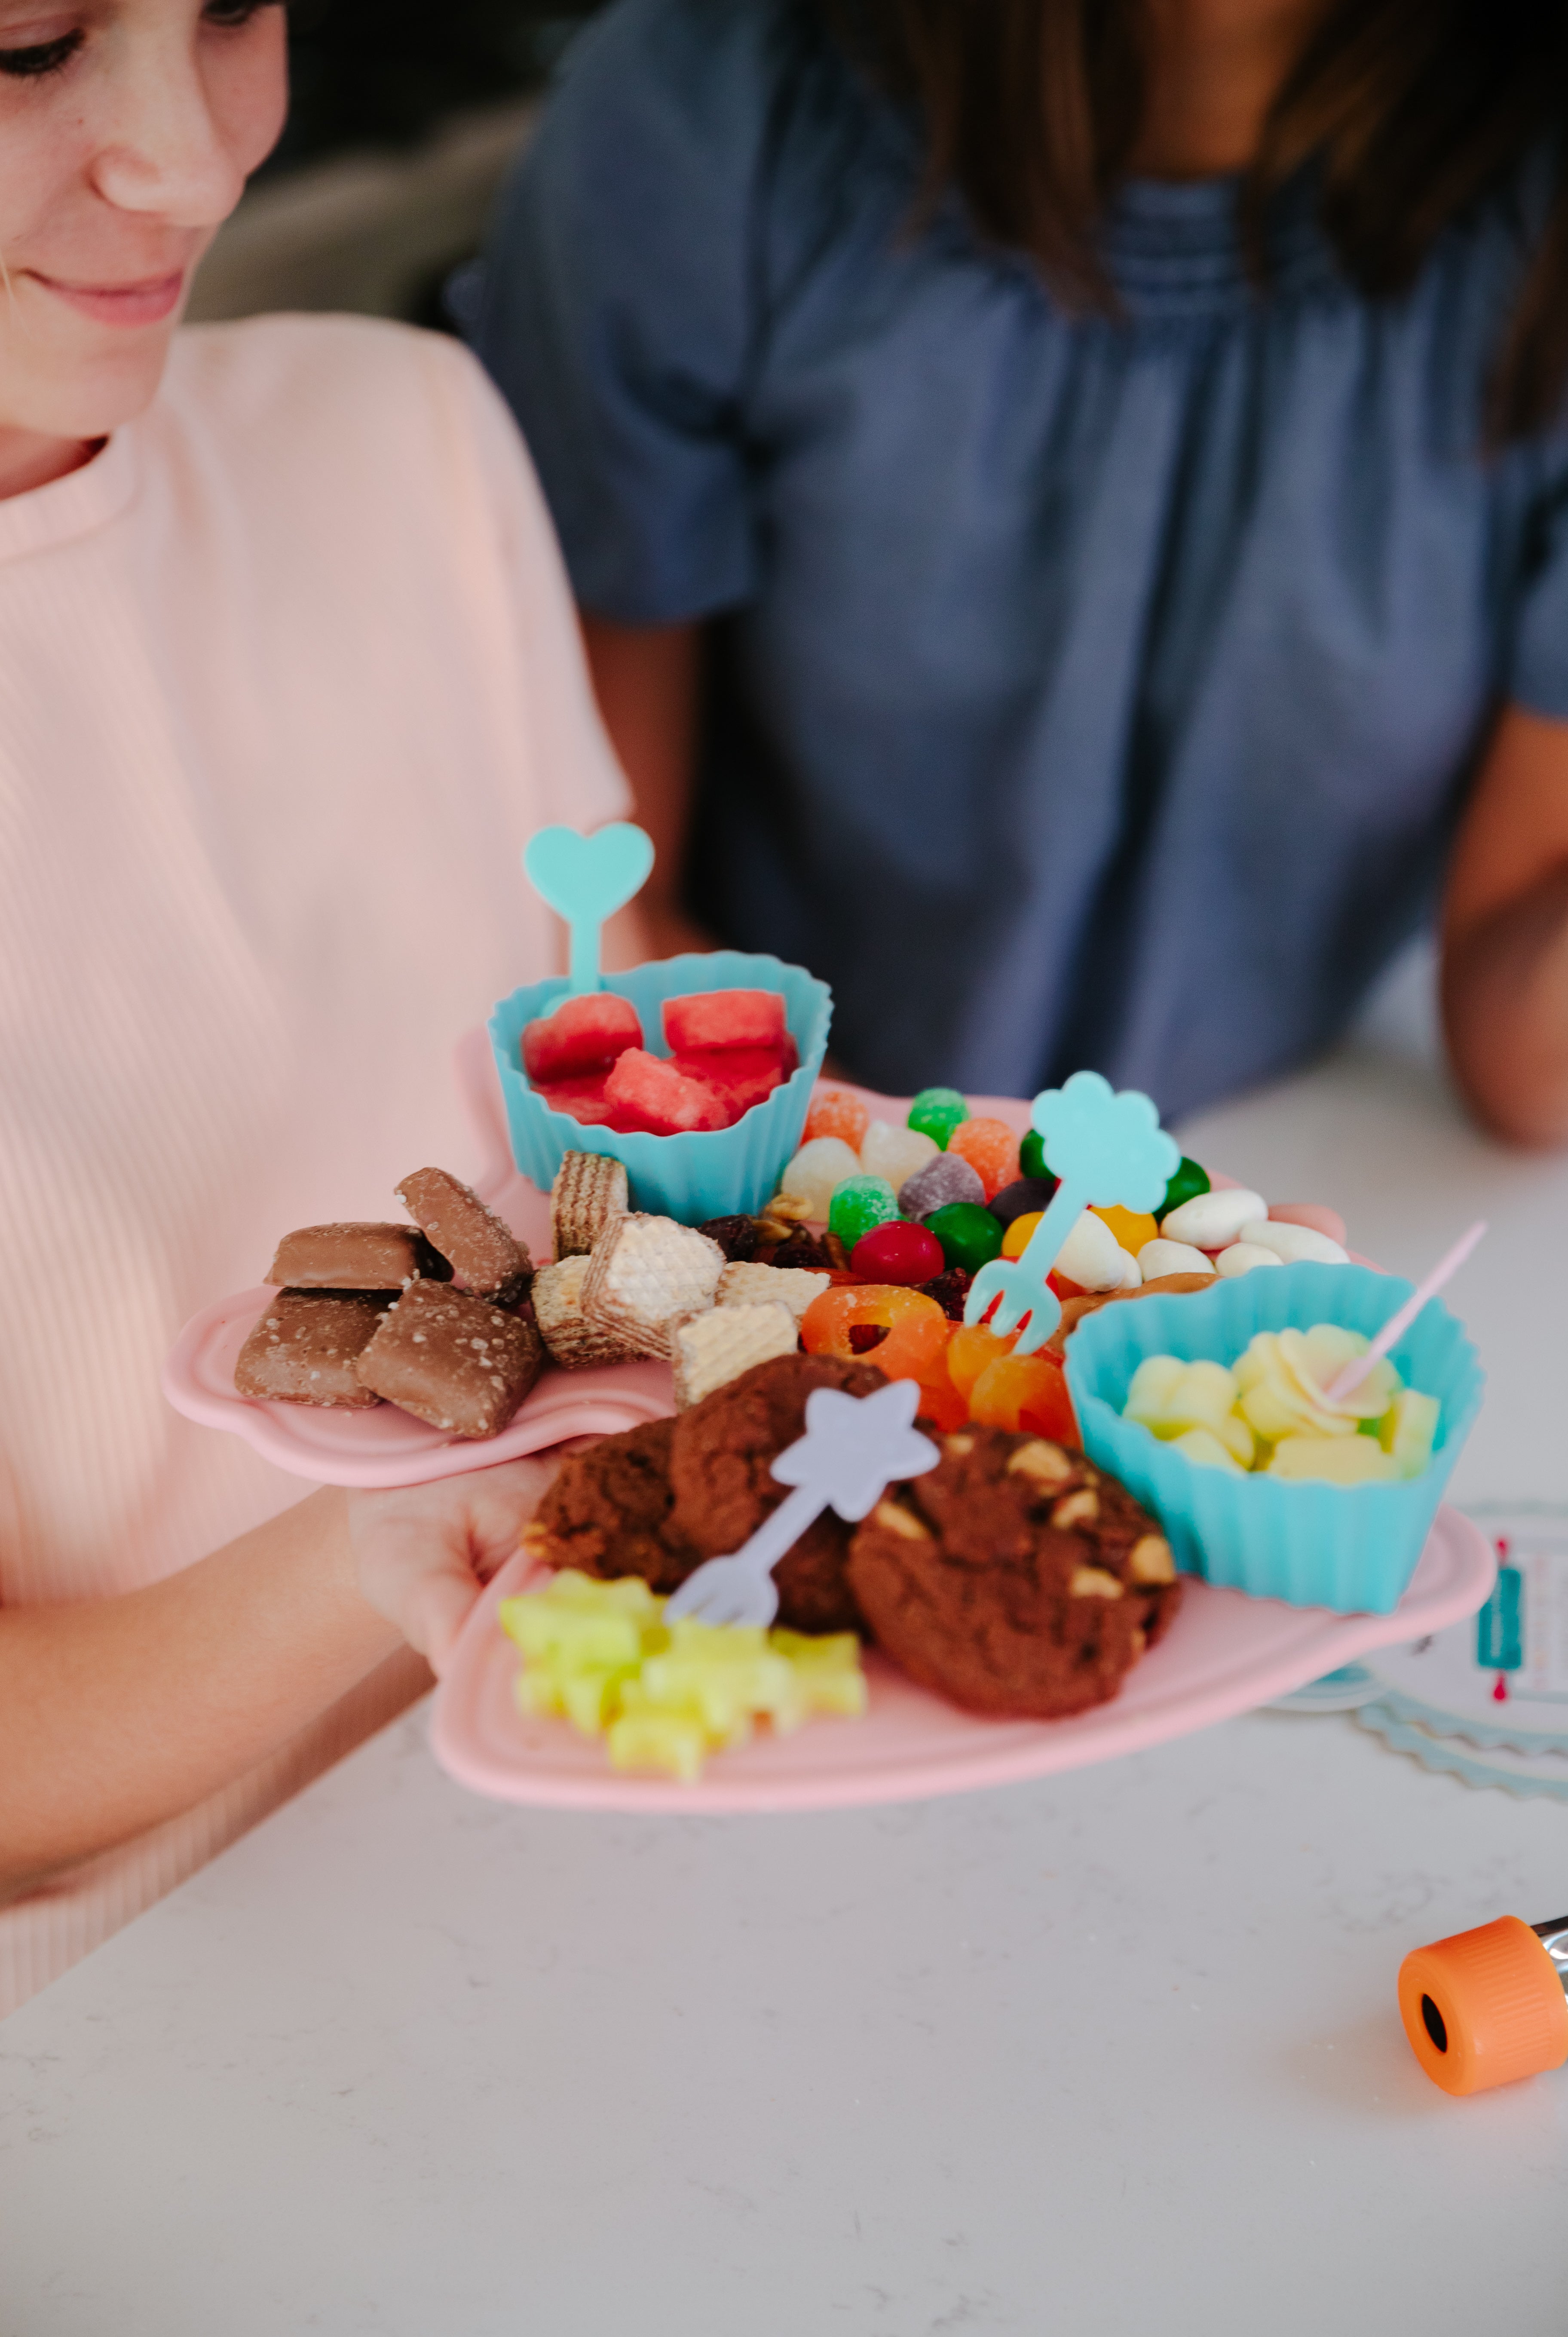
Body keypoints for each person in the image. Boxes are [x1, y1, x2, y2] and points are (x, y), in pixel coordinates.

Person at [0, 0, 637, 2010]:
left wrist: (975, 1202)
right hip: (130, 2039)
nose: (188, 160)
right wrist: (400, 1535)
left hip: (628, 1800)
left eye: (237, 6)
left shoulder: (406, 436)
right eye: (26, 47)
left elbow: (606, 1091)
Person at [472, 0, 1568, 1147]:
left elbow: (1520, 1053)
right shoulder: (710, 115)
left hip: (1277, 1148)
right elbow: (590, 911)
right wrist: (911, 1210)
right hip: (765, 1154)